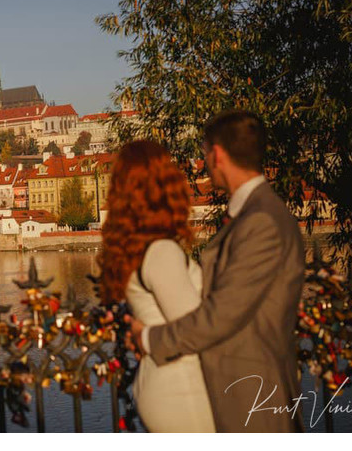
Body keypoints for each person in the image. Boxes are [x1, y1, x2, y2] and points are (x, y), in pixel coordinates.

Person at [124, 110, 306, 432]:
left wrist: (149, 337)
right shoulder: (255, 214)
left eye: (205, 153)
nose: (205, 163)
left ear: (217, 154)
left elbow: (222, 315)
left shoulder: (261, 220)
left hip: (251, 390)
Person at [99, 139, 215, 432]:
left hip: (163, 382)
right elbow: (197, 329)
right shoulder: (162, 251)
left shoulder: (138, 247)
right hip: (183, 389)